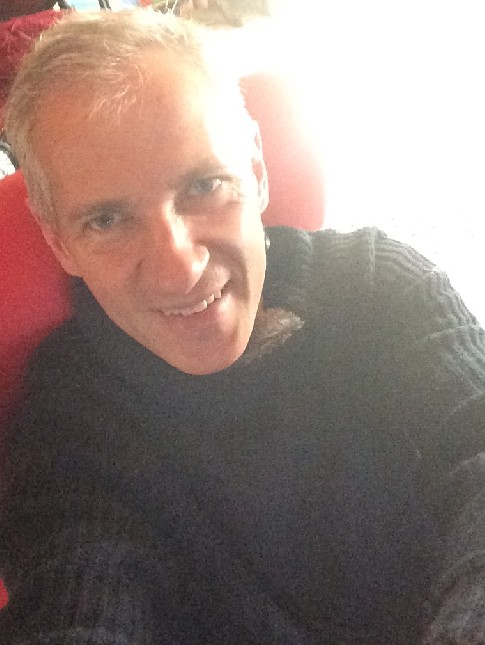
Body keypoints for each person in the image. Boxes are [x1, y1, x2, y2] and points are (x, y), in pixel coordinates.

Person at [1, 9, 485, 644]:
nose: (179, 269)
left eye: (204, 185)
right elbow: (76, 595)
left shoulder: (379, 287)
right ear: (59, 240)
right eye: (108, 220)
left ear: (256, 170)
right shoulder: (68, 417)